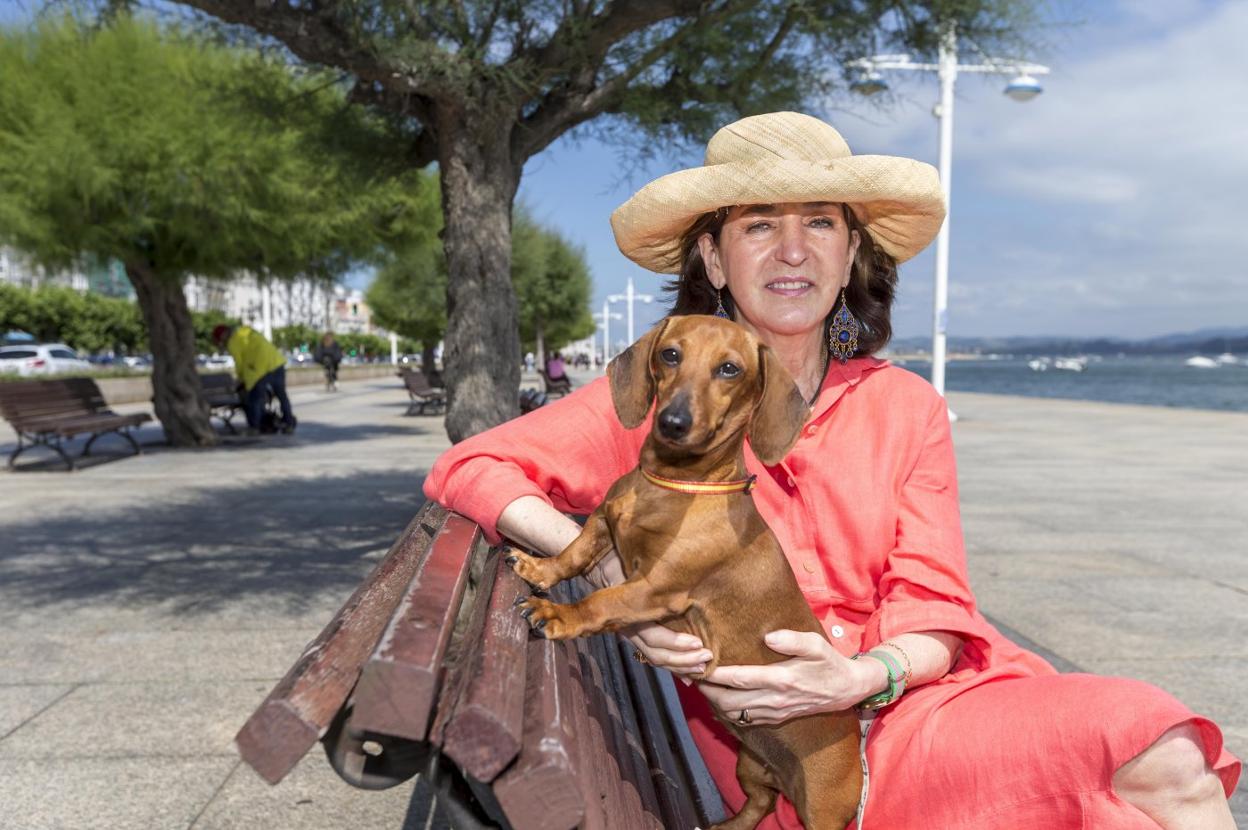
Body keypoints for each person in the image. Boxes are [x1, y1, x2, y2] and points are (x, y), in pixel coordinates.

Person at [423, 113, 1239, 828]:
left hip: (916, 709)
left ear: (850, 255)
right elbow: (473, 465)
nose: (791, 250)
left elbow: (935, 598)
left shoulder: (905, 406)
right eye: (757, 226)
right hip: (781, 756)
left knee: (1163, 752)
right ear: (713, 256)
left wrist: (860, 676)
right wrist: (597, 559)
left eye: (820, 224)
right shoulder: (663, 391)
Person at [211, 323, 295, 435]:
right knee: (282, 396)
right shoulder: (247, 330)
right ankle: (288, 423)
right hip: (276, 363)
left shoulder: (233, 342)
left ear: (222, 337)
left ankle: (255, 427)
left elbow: (239, 363)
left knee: (254, 399)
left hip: (259, 369)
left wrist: (241, 379)